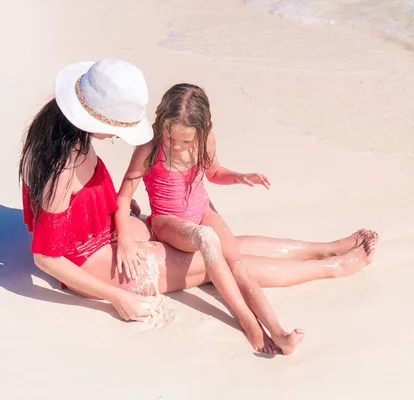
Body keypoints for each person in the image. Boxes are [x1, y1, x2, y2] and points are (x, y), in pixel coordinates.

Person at [18, 58, 378, 354]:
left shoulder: (58, 133)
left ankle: (325, 249)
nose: (118, 136)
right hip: (88, 259)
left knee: (222, 247)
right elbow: (45, 258)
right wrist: (117, 298)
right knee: (210, 262)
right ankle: (333, 267)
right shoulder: (61, 169)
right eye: (116, 128)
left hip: (107, 230)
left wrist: (124, 220)